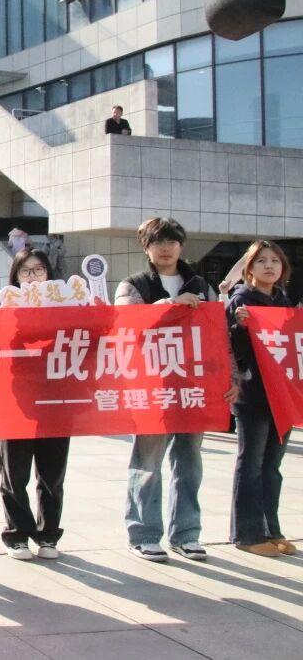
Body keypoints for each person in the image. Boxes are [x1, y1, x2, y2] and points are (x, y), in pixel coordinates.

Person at [114, 217, 232, 562]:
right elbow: (125, 325)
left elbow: (219, 336)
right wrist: (169, 306)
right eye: (157, 242)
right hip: (153, 388)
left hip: (194, 387)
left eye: (172, 241)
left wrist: (231, 379)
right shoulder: (133, 285)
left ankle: (186, 534)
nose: (165, 248)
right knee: (147, 462)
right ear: (146, 247)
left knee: (189, 463)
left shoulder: (201, 285)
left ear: (181, 245)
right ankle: (143, 534)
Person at [0, 247, 71, 560]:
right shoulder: (4, 307)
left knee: (52, 473)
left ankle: (48, 534)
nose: (33, 277)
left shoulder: (67, 306)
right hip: (16, 400)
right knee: (14, 472)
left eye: (39, 269)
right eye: (25, 271)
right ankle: (17, 534)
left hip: (56, 399)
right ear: (15, 276)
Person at [228, 240, 296, 557]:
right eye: (261, 261)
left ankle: (271, 530)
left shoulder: (283, 301)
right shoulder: (241, 300)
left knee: (272, 466)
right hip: (253, 395)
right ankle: (247, 533)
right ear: (249, 268)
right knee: (251, 464)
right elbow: (230, 350)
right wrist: (239, 327)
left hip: (282, 396)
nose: (269, 266)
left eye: (275, 261)